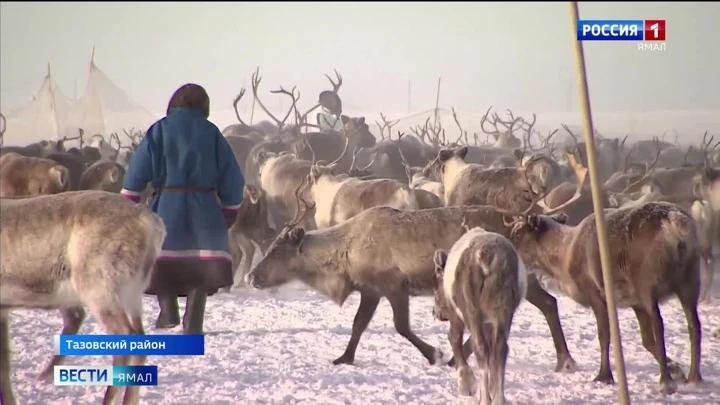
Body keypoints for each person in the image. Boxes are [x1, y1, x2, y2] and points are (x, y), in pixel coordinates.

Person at [120, 83, 245, 335]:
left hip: (166, 207)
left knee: (163, 264)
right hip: (205, 209)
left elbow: (137, 171)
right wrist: (229, 211)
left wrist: (127, 204)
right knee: (200, 271)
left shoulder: (159, 131)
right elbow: (233, 178)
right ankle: (193, 321)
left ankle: (167, 312)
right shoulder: (212, 133)